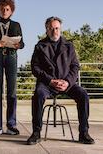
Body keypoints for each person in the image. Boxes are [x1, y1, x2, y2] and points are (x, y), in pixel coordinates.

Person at [27, 16, 95, 145]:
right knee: (38, 95)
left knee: (83, 94)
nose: (55, 31)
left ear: (60, 29)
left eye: (57, 28)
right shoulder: (40, 46)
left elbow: (75, 66)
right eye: (51, 29)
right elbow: (35, 68)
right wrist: (50, 81)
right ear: (46, 30)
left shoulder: (69, 46)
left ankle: (84, 133)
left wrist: (68, 82)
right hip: (47, 84)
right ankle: (36, 133)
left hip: (66, 83)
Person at [0, 0, 24, 136]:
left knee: (12, 93)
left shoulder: (16, 25)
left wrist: (18, 45)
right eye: (2, 9)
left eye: (7, 9)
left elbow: (22, 43)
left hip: (11, 58)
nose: (5, 11)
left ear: (11, 11)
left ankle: (11, 124)